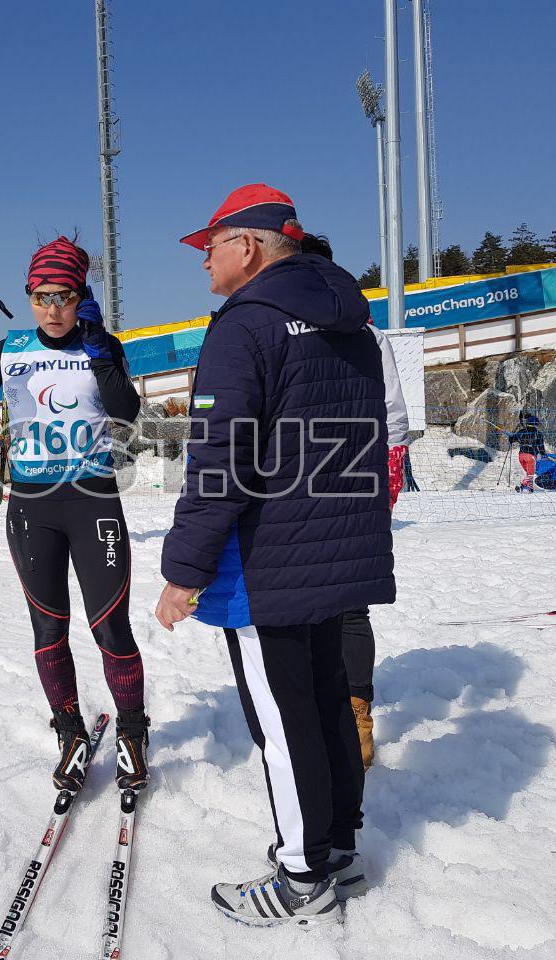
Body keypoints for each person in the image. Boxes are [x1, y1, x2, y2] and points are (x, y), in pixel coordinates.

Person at [154, 185, 394, 925]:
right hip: (334, 550)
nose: (205, 265)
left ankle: (300, 875)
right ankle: (336, 848)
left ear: (249, 245)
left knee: (286, 721)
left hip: (270, 559)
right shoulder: (351, 319)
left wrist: (183, 570)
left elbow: (219, 459)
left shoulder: (244, 325)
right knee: (326, 700)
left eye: (212, 248)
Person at [0, 235, 150, 795]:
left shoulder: (102, 343)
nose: (53, 308)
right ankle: (70, 734)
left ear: (82, 294)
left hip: (93, 499)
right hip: (33, 506)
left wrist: (103, 354)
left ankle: (132, 732)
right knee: (48, 627)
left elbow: (127, 413)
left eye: (65, 295)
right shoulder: (8, 349)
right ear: (28, 297)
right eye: (41, 296)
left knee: (110, 625)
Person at [302, 232, 410, 772]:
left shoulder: (361, 330)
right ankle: (330, 707)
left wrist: (387, 473)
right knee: (322, 598)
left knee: (343, 601)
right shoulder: (300, 328)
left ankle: (355, 709)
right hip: (310, 477)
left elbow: (392, 412)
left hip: (344, 474)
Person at [506, 411, 546, 492]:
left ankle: (530, 489)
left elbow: (512, 439)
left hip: (521, 456)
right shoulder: (539, 434)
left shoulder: (521, 431)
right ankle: (521, 486)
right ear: (536, 424)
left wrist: (510, 436)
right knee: (531, 474)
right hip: (530, 456)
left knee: (528, 473)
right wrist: (543, 454)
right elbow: (541, 447)